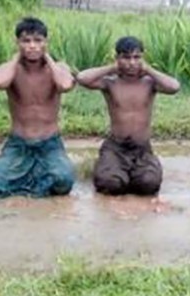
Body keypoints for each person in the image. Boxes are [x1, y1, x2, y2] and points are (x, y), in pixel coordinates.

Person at [0, 17, 76, 197]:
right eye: (26, 41)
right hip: (18, 144)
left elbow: (65, 85)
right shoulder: (11, 69)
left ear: (46, 42)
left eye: (38, 41)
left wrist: (47, 57)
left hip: (50, 143)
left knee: (64, 181)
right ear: (18, 42)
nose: (32, 46)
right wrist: (18, 56)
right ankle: (33, 184)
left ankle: (31, 184)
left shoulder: (58, 68)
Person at [76, 36, 180, 195]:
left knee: (148, 184)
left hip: (142, 149)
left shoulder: (149, 82)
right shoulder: (110, 82)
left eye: (137, 57)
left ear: (143, 58)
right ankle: (107, 166)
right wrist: (112, 68)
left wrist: (148, 69)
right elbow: (82, 78)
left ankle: (137, 170)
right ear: (117, 58)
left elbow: (174, 87)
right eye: (126, 57)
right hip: (116, 147)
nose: (132, 63)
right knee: (110, 184)